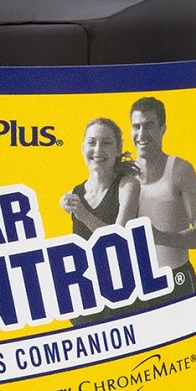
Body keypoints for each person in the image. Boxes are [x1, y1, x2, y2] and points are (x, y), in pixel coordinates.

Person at [60, 117, 140, 324]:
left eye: (106, 143)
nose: (98, 149)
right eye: (92, 142)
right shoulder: (75, 193)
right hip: (86, 297)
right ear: (82, 148)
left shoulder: (127, 186)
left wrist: (84, 215)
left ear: (118, 149)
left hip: (120, 294)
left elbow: (118, 241)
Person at [130, 96, 196, 300]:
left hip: (177, 279)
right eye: (136, 127)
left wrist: (160, 237)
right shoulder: (124, 175)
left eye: (148, 126)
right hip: (137, 284)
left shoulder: (180, 170)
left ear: (162, 129)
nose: (141, 134)